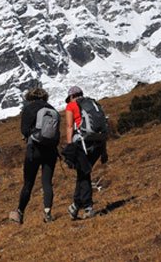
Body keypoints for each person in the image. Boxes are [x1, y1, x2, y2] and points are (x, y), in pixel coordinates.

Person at [9, 87, 59, 224]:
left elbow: (24, 130)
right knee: (47, 182)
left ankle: (20, 212)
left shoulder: (29, 109)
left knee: (28, 183)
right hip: (51, 150)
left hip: (34, 149)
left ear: (30, 97)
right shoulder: (52, 109)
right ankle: (48, 212)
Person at [62, 86, 108, 220]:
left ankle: (88, 207)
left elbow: (70, 126)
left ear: (71, 97)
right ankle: (75, 206)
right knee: (82, 173)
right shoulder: (93, 103)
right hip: (98, 144)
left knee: (84, 174)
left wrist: (70, 147)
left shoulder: (71, 105)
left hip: (84, 144)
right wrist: (104, 151)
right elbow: (101, 127)